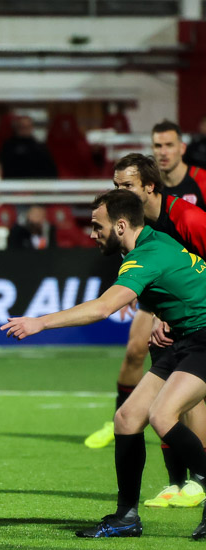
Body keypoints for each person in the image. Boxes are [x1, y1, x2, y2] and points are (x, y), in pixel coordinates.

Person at [2, 189, 206, 540]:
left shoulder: (144, 256)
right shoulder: (155, 241)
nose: (92, 234)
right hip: (183, 337)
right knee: (126, 419)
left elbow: (101, 308)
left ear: (122, 226)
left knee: (161, 415)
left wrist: (40, 321)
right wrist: (165, 315)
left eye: (98, 227)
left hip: (202, 339)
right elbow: (183, 283)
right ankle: (126, 516)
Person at [82, 154, 206, 508]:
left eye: (127, 186)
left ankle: (197, 481)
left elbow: (191, 269)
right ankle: (171, 483)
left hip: (195, 309)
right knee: (140, 355)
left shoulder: (186, 217)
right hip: (168, 299)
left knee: (180, 401)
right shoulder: (131, 229)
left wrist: (183, 307)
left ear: (149, 186)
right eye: (116, 185)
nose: (119, 191)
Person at [151, 120, 206, 210]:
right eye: (158, 146)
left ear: (182, 148)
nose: (163, 152)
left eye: (169, 145)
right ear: (152, 149)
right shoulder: (150, 185)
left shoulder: (202, 180)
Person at [0, 115, 58, 179]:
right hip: (13, 183)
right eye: (22, 126)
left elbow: (50, 170)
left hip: (35, 184)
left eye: (27, 126)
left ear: (31, 128)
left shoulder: (40, 147)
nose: (24, 129)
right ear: (16, 128)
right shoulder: (8, 146)